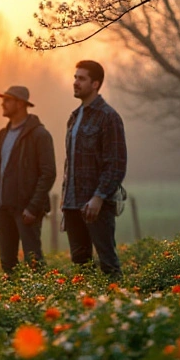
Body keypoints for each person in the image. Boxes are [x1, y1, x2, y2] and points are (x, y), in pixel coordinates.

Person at [61, 60, 127, 279]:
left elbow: (116, 163)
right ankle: (84, 310)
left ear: (95, 84)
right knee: (81, 268)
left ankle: (119, 307)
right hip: (72, 204)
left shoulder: (108, 117)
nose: (76, 82)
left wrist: (98, 197)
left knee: (108, 263)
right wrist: (65, 201)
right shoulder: (73, 117)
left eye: (82, 78)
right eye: (75, 77)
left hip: (96, 205)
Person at [0, 86, 56, 274]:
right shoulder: (3, 134)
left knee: (34, 262)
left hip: (26, 211)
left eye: (7, 100)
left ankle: (42, 300)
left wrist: (33, 207)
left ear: (20, 104)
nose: (3, 103)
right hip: (3, 209)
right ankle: (13, 302)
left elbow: (48, 173)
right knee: (8, 264)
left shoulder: (40, 135)